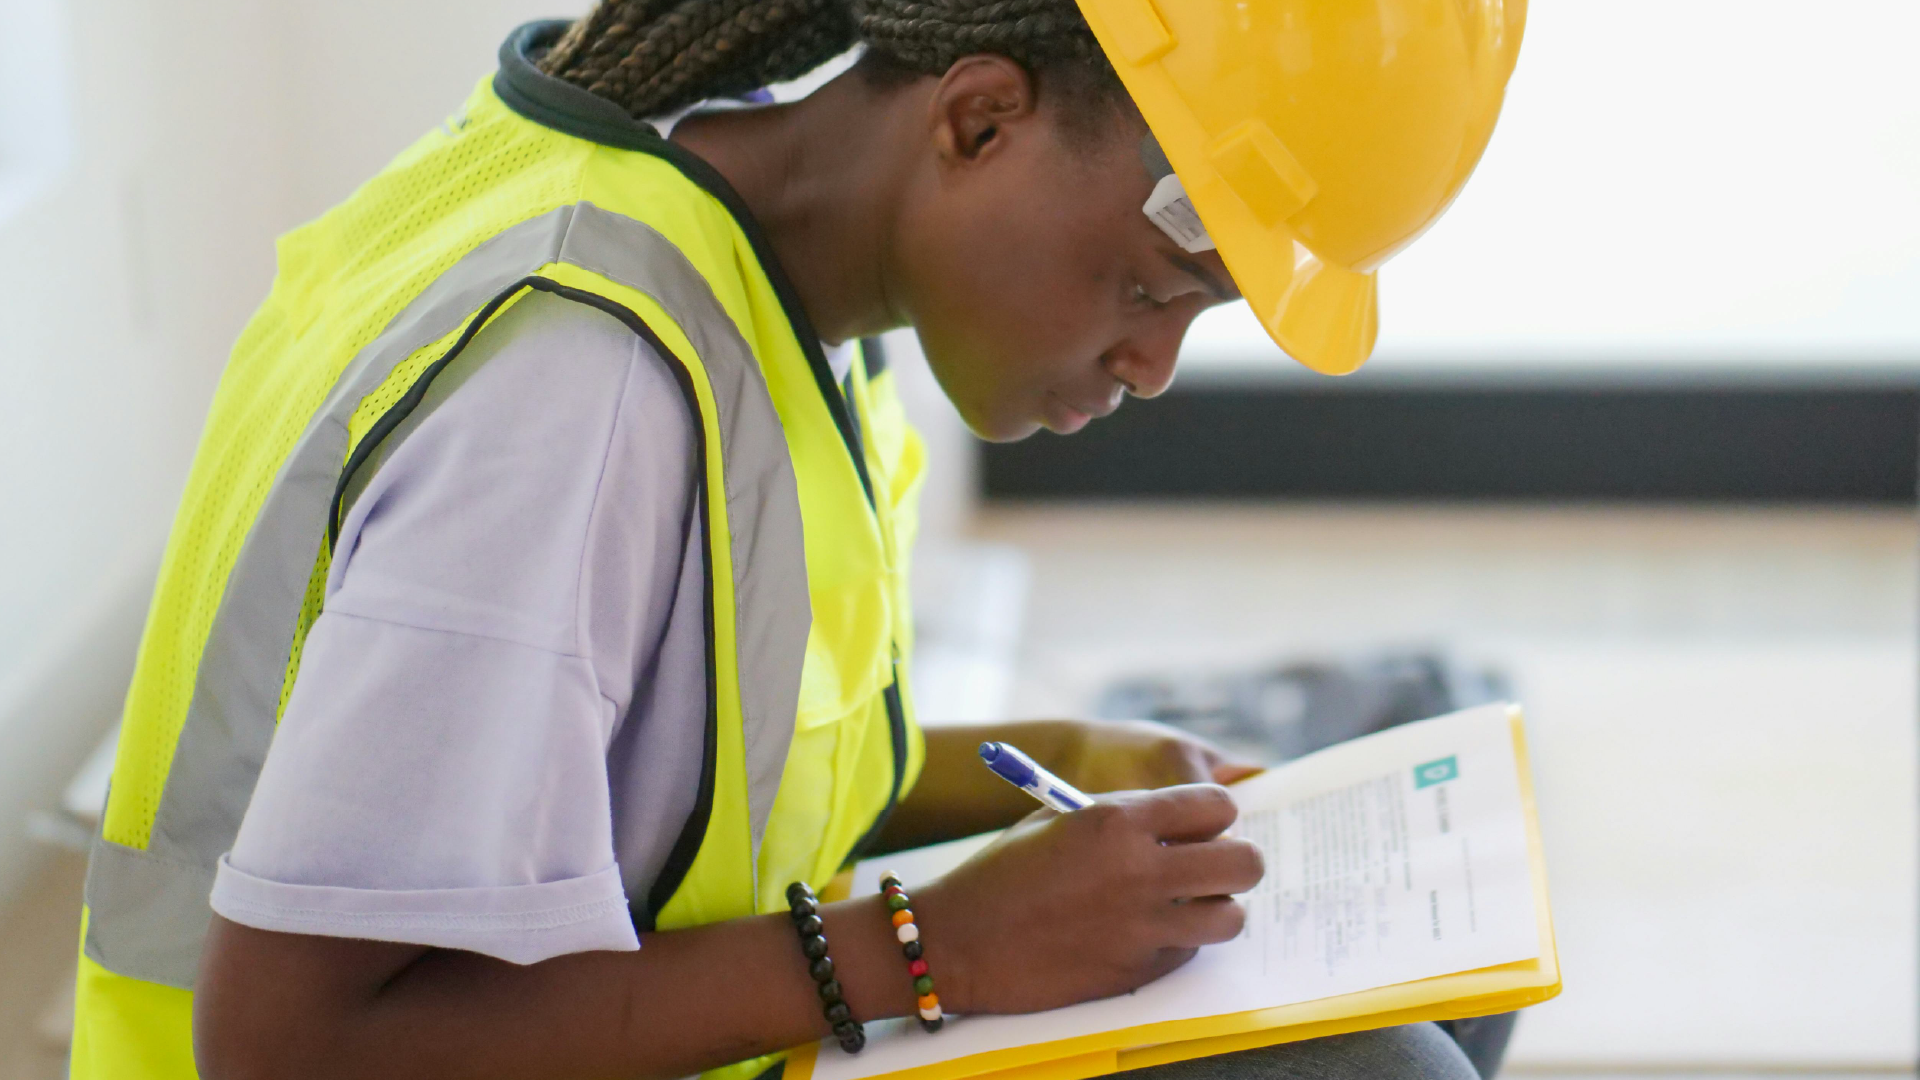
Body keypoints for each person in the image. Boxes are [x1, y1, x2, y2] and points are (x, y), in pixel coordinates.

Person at [69, 1, 1525, 1077]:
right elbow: (290, 1048)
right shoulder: (574, 397)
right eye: (1153, 290)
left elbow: (700, 792)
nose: (1151, 369)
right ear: (977, 119)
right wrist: (930, 951)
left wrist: (1071, 765)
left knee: (1439, 987)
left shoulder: (776, 283)